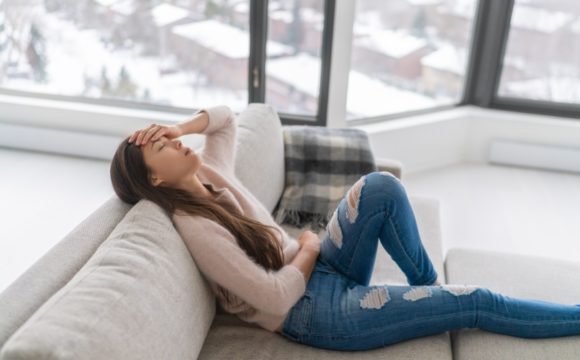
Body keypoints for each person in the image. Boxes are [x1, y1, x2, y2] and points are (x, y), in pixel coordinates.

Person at [110, 105, 580, 352]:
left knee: (379, 186)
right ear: (155, 179)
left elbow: (226, 117)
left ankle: (428, 292)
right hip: (314, 313)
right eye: (163, 148)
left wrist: (177, 125)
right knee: (478, 301)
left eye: (168, 137)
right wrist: (309, 247)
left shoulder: (211, 171)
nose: (173, 142)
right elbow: (273, 298)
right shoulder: (195, 227)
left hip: (321, 272)